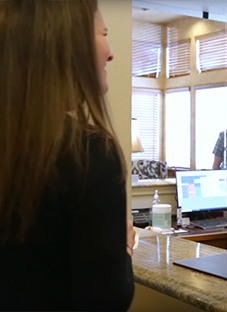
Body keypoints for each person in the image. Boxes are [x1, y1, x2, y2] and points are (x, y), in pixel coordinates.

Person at [0, 0, 135, 310]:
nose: (111, 52)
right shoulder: (89, 155)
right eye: (103, 32)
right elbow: (105, 301)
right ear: (66, 44)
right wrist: (123, 251)